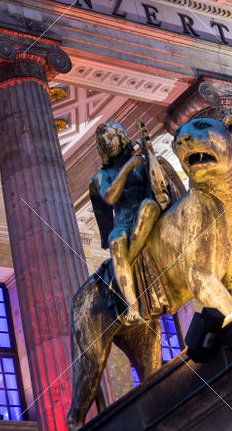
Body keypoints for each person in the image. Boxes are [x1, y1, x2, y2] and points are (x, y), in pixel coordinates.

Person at [89, 122, 181, 323]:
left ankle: (121, 270)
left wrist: (150, 156)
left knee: (148, 207)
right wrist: (128, 167)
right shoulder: (101, 176)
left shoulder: (142, 162)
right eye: (102, 142)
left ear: (122, 137)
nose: (107, 143)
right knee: (116, 242)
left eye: (111, 137)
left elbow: (160, 185)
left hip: (148, 211)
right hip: (122, 223)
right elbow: (110, 197)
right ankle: (132, 307)